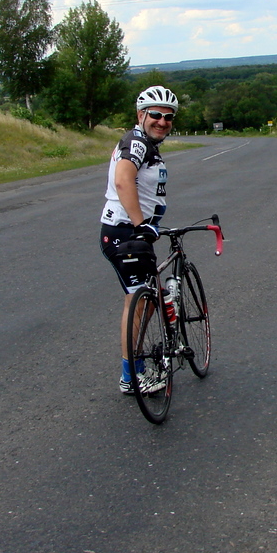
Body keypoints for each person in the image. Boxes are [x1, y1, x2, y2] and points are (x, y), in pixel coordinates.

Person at [100, 85, 178, 393]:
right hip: (124, 232)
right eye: (156, 115)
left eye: (168, 117)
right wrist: (141, 224)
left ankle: (135, 370)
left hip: (133, 231)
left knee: (145, 300)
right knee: (139, 303)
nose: (162, 121)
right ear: (140, 114)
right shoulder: (136, 142)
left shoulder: (147, 144)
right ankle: (131, 377)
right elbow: (122, 180)